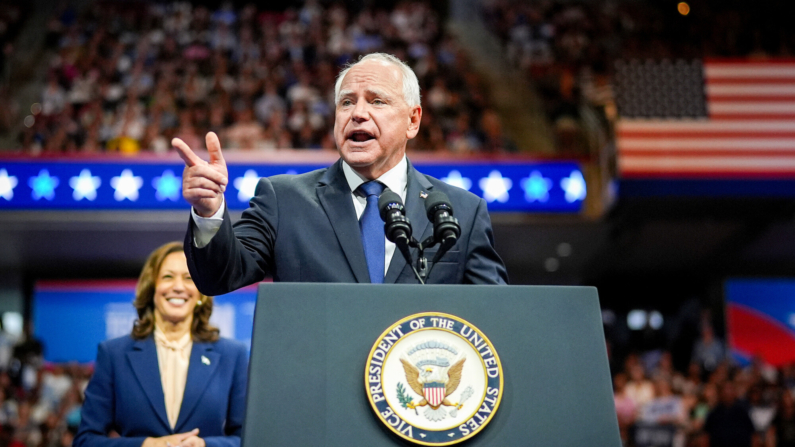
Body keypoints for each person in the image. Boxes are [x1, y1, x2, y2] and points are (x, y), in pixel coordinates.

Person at [173, 52, 507, 296]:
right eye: (347, 102)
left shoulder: (461, 211)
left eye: (377, 101)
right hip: (319, 386)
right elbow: (219, 277)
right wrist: (208, 212)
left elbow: (499, 317)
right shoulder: (284, 199)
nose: (358, 114)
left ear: (413, 120)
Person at [74, 242, 248, 447]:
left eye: (189, 278)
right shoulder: (113, 354)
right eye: (167, 277)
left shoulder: (232, 355)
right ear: (152, 287)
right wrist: (146, 445)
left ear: (201, 292)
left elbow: (247, 439)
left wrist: (204, 445)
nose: (178, 286)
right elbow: (86, 440)